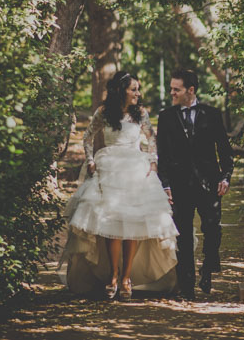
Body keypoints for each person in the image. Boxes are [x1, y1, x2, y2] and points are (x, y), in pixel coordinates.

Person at [59, 71, 179, 300]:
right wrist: (91, 161)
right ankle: (112, 275)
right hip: (109, 169)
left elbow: (152, 139)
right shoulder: (103, 112)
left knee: (132, 224)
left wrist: (153, 163)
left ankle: (126, 277)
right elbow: (87, 138)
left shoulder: (141, 114)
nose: (138, 93)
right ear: (121, 90)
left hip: (135, 170)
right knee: (110, 224)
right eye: (133, 89)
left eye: (138, 89)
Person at [156, 68, 234, 299]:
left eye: (176, 89)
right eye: (171, 88)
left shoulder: (212, 114)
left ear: (190, 90)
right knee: (183, 235)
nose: (171, 92)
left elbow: (225, 151)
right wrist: (166, 184)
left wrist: (225, 177)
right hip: (179, 186)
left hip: (209, 184)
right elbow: (163, 154)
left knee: (212, 229)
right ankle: (187, 286)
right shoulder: (166, 116)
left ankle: (208, 267)